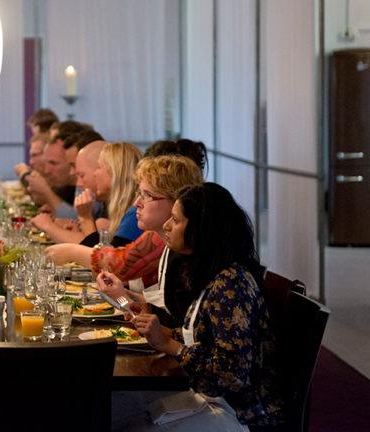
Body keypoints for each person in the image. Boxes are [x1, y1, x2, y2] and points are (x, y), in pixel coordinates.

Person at [108, 183, 284, 430]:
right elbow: (200, 336)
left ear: (201, 230)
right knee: (115, 407)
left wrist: (168, 344)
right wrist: (157, 330)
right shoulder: (208, 271)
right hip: (209, 397)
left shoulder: (231, 283)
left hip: (237, 412)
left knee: (117, 418)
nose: (167, 226)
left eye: (176, 221)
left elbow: (231, 374)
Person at [45, 155, 203, 305]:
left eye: (147, 195)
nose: (136, 203)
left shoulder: (176, 243)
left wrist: (70, 251)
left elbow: (119, 267)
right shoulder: (154, 234)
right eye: (139, 193)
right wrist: (123, 298)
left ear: (177, 201)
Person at [76, 141, 143, 247]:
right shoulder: (123, 211)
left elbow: (105, 261)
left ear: (114, 173)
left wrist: (85, 218)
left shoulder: (134, 215)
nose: (94, 173)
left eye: (98, 167)